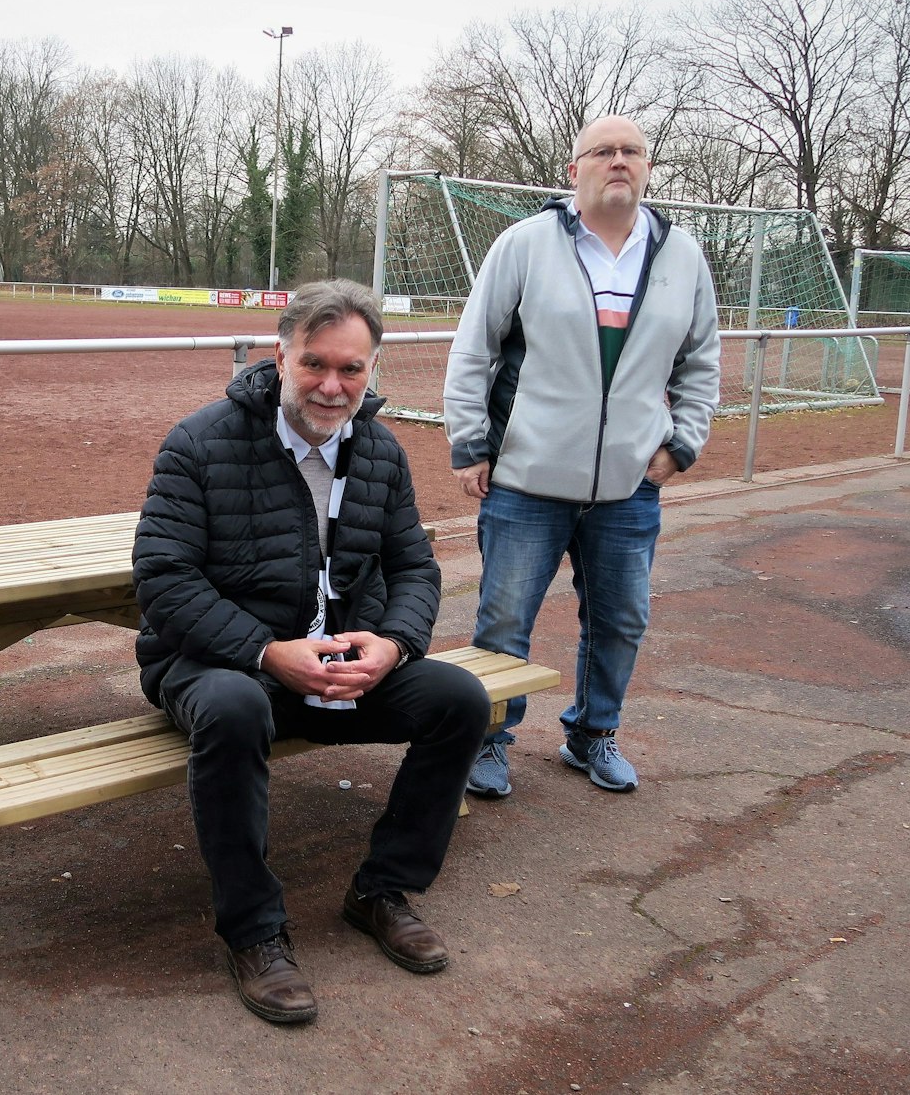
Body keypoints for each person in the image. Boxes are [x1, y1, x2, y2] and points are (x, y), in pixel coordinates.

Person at [134, 279, 490, 1025]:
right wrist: (267, 653)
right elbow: (164, 581)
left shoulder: (382, 452)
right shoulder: (200, 442)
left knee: (460, 699)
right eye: (315, 364)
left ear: (372, 370)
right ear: (280, 356)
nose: (333, 386)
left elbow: (416, 568)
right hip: (222, 664)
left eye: (352, 369)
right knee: (231, 709)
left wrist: (392, 644)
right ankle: (255, 930)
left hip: (339, 665)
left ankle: (382, 891)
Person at [442, 114, 721, 799]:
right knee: (504, 620)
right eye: (602, 151)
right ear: (575, 170)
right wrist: (471, 443)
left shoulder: (681, 255)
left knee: (621, 618)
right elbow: (473, 349)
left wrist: (680, 445)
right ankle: (489, 742)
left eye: (631, 151)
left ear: (648, 168)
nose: (617, 161)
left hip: (629, 486)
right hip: (527, 481)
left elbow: (702, 361)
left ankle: (593, 734)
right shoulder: (526, 245)